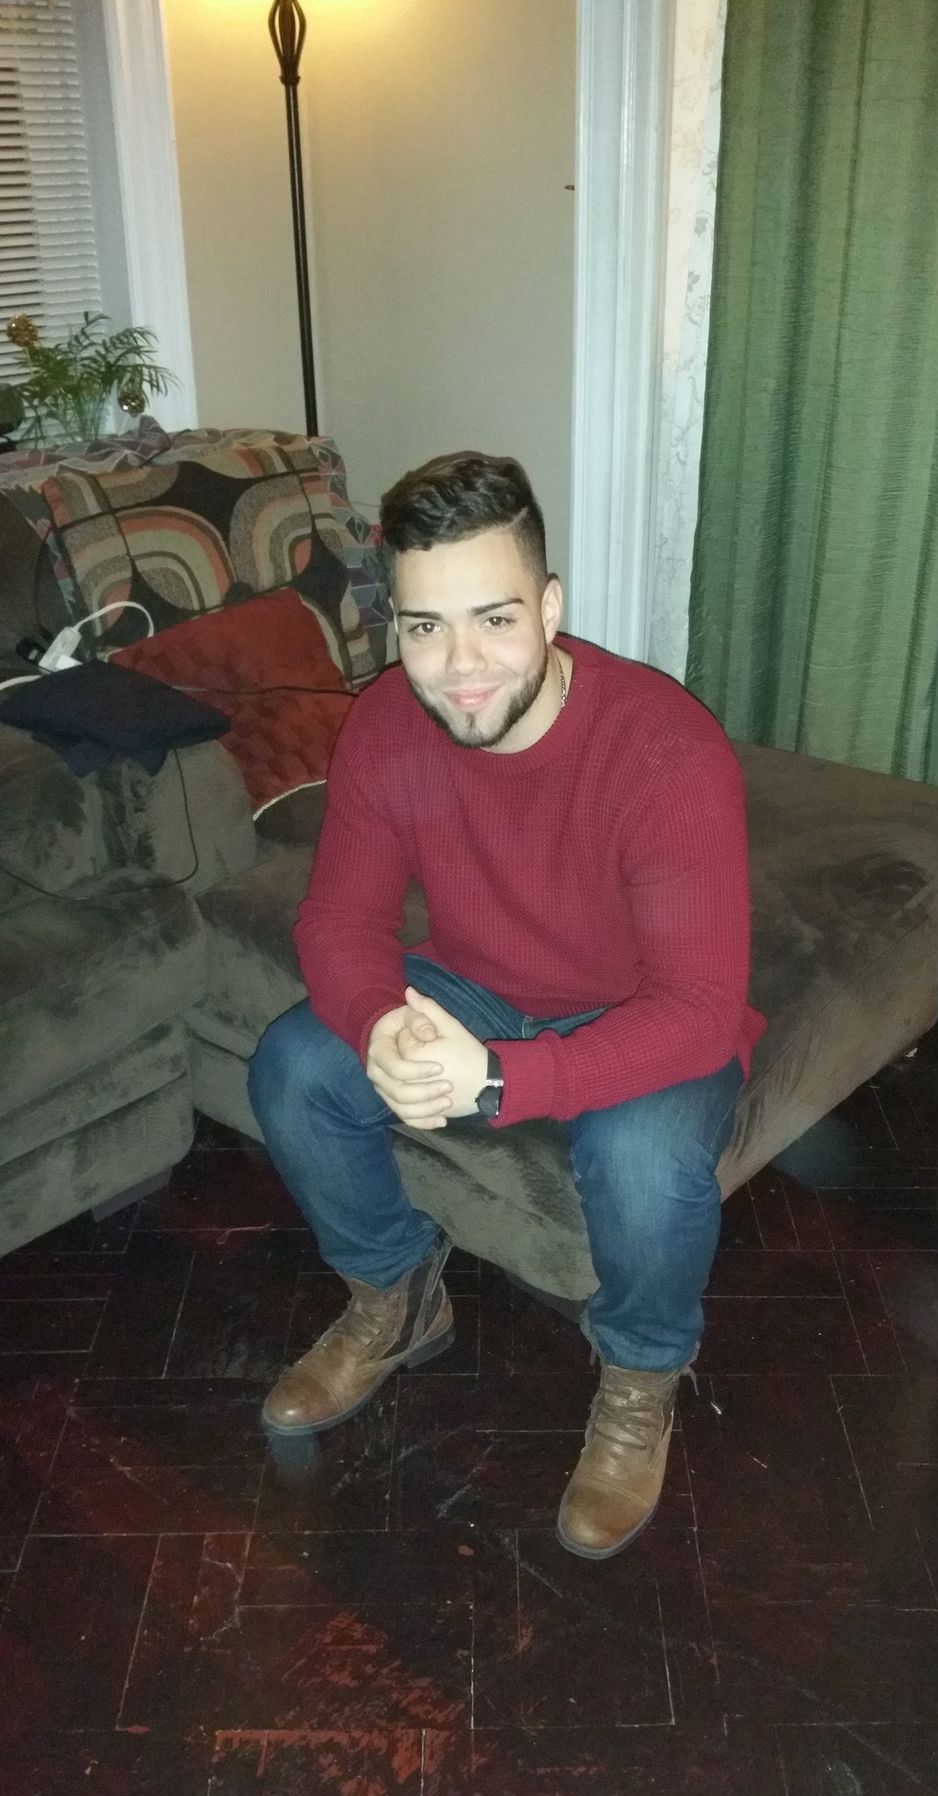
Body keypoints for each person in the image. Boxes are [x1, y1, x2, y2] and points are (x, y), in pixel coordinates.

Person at [249, 451, 765, 1559]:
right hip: (474, 980)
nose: (461, 666)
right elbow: (338, 921)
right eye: (425, 627)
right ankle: (395, 1296)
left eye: (494, 619)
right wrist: (380, 1022)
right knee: (294, 1068)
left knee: (643, 1160)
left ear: (551, 608)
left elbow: (699, 1006)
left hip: (641, 1007)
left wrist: (501, 1079)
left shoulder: (664, 748)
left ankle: (640, 1376)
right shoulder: (388, 723)